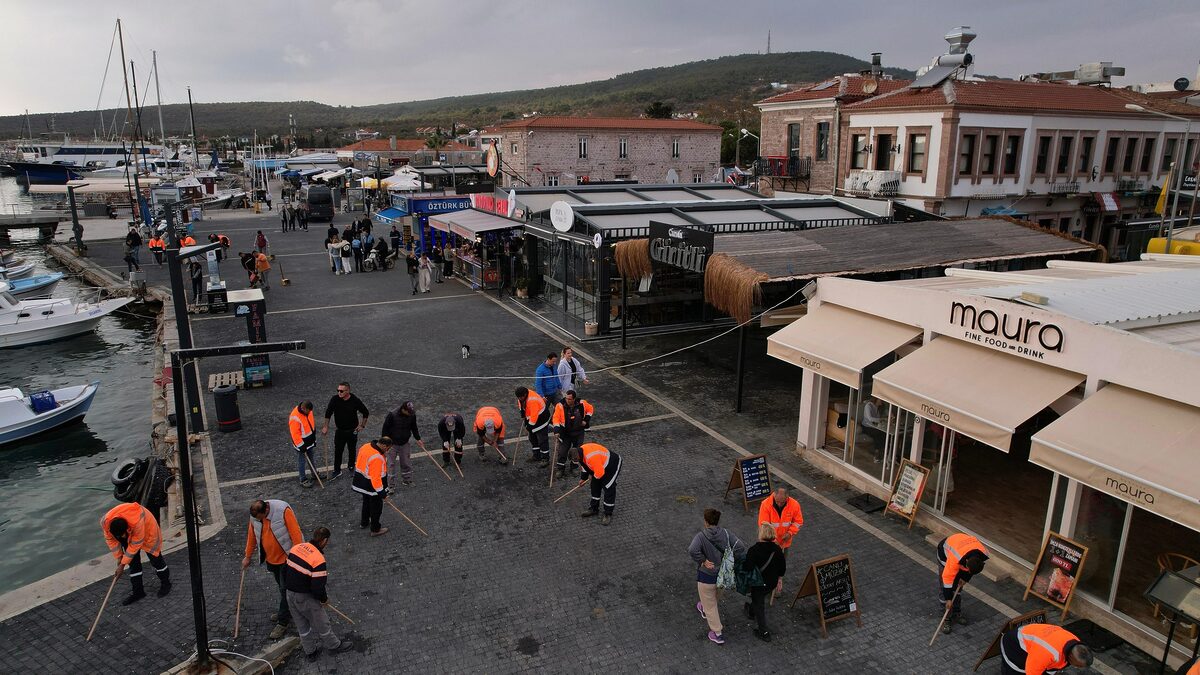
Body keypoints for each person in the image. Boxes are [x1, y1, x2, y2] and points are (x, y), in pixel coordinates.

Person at [283, 527, 354, 661]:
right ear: (324, 541)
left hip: (289, 593)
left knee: (301, 624)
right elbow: (317, 587)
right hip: (305, 597)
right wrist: (323, 599)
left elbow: (284, 570)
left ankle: (310, 651)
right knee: (322, 622)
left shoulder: (297, 548)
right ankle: (334, 645)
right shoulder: (318, 560)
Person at [241, 499, 304, 640]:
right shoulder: (255, 516)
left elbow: (296, 534)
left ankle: (283, 621)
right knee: (282, 588)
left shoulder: (283, 511)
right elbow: (251, 536)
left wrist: (299, 557)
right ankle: (288, 610)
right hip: (271, 559)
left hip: (286, 559)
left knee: (284, 589)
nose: (259, 521)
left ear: (266, 511)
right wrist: (247, 556)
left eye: (261, 518)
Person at [688, 508, 746, 645]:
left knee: (711, 606)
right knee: (713, 598)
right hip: (723, 574)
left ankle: (717, 633)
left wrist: (703, 560)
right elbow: (740, 547)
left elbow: (692, 550)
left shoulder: (701, 536)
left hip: (707, 576)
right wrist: (729, 557)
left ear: (706, 522)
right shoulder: (726, 533)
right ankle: (702, 606)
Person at [102, 502, 171, 605]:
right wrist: (119, 557)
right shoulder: (106, 523)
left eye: (122, 536)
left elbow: (134, 546)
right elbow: (111, 540)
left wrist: (122, 565)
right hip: (129, 529)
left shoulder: (137, 522)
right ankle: (138, 592)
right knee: (133, 565)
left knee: (156, 559)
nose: (121, 539)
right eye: (119, 536)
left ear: (126, 530)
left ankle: (166, 583)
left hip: (147, 530)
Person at [936, 532, 989, 633]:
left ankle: (956, 613)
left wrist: (965, 578)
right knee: (946, 589)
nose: (969, 572)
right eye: (968, 570)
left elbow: (971, 570)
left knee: (958, 587)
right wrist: (948, 599)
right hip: (945, 554)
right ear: (967, 561)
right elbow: (947, 579)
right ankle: (946, 617)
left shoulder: (982, 554)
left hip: (961, 554)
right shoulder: (956, 558)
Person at [743, 523, 786, 642]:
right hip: (771, 582)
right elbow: (782, 567)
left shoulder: (754, 550)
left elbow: (748, 567)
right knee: (758, 599)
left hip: (758, 583)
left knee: (759, 605)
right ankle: (751, 611)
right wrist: (780, 579)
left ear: (761, 534)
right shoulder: (777, 550)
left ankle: (764, 632)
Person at [999, 624, 1092, 675]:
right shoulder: (1046, 653)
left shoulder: (1076, 643)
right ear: (1071, 656)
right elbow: (1032, 673)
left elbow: (1057, 665)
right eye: (1078, 665)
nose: (1078, 668)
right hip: (1014, 646)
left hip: (1035, 643)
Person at [321, 382, 370, 480]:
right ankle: (337, 470)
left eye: (341, 391)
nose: (339, 392)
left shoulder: (355, 400)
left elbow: (366, 412)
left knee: (352, 449)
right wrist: (325, 426)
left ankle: (351, 466)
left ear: (348, 391)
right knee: (338, 451)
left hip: (352, 431)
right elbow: (328, 413)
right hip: (340, 431)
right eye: (338, 390)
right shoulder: (335, 399)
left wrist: (362, 425)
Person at [380, 401, 425, 487]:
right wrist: (385, 444)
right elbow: (385, 429)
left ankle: (407, 480)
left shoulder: (412, 415)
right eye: (408, 412)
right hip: (392, 444)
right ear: (403, 409)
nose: (410, 413)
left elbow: (414, 427)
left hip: (404, 443)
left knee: (406, 462)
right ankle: (390, 485)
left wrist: (418, 438)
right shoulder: (392, 415)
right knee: (391, 465)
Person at [352, 437, 391, 536]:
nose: (387, 451)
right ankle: (375, 529)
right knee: (376, 508)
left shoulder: (366, 446)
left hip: (362, 481)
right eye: (387, 448)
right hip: (372, 487)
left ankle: (364, 522)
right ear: (383, 445)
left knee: (366, 502)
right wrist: (383, 494)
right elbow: (376, 479)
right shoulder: (377, 457)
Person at [550, 390, 593, 478]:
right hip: (565, 433)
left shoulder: (582, 403)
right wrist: (557, 431)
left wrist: (586, 420)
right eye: (566, 398)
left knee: (577, 451)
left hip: (579, 432)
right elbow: (556, 418)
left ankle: (574, 467)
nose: (567, 400)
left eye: (569, 399)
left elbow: (590, 409)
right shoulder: (560, 406)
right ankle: (560, 468)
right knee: (562, 451)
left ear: (574, 399)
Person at [579, 442, 621, 525]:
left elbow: (600, 473)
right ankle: (594, 508)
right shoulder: (580, 454)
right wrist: (583, 479)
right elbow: (585, 467)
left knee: (609, 487)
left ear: (578, 456)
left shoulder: (591, 457)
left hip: (612, 465)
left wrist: (593, 476)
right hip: (600, 465)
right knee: (594, 486)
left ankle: (608, 513)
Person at [757, 487, 804, 557]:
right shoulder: (765, 505)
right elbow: (764, 526)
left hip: (784, 543)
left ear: (787, 498)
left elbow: (798, 522)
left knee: (782, 561)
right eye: (777, 501)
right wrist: (773, 541)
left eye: (782, 502)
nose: (779, 504)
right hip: (769, 543)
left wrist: (790, 533)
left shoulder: (794, 505)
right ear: (774, 495)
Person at [515, 386, 551, 464]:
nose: (520, 398)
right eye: (519, 397)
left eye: (521, 397)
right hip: (532, 418)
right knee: (532, 438)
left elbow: (534, 416)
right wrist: (522, 414)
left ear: (524, 394)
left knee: (542, 440)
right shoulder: (522, 395)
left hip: (541, 419)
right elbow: (520, 403)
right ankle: (537, 455)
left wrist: (528, 426)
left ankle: (545, 458)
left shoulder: (532, 400)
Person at [289, 401, 318, 488]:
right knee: (301, 461)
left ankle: (314, 473)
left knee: (311, 458)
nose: (309, 413)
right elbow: (295, 434)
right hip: (301, 444)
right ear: (303, 408)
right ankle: (303, 479)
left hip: (309, 441)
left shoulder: (309, 411)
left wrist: (313, 438)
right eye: (308, 411)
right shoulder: (295, 417)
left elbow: (310, 424)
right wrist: (301, 446)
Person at [862, 397, 887, 462]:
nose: (882, 401)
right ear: (877, 399)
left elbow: (886, 412)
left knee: (884, 433)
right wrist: (882, 419)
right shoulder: (869, 406)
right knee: (878, 434)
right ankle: (877, 452)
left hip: (874, 427)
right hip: (866, 426)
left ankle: (881, 452)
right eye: (881, 399)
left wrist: (889, 415)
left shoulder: (878, 408)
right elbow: (870, 418)